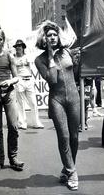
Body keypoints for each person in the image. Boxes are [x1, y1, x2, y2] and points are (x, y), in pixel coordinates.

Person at [34, 20, 80, 191]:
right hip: (57, 100)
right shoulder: (39, 60)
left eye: (54, 35)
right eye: (49, 35)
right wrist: (51, 57)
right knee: (64, 136)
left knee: (75, 137)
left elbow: (76, 73)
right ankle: (72, 171)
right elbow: (52, 80)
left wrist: (79, 60)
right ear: (43, 39)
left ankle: (66, 168)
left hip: (74, 98)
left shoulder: (67, 51)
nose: (52, 37)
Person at [0, 29, 24, 172]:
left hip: (8, 93)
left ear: (3, 40)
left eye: (0, 39)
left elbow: (16, 77)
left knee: (13, 126)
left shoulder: (9, 56)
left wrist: (9, 82)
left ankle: (13, 158)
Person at [13, 39, 44, 130]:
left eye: (20, 46)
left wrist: (33, 80)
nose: (18, 48)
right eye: (17, 46)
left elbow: (33, 69)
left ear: (23, 48)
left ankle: (36, 122)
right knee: (20, 103)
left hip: (29, 79)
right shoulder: (13, 59)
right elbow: (13, 71)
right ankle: (22, 123)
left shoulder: (28, 57)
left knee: (33, 102)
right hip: (20, 80)